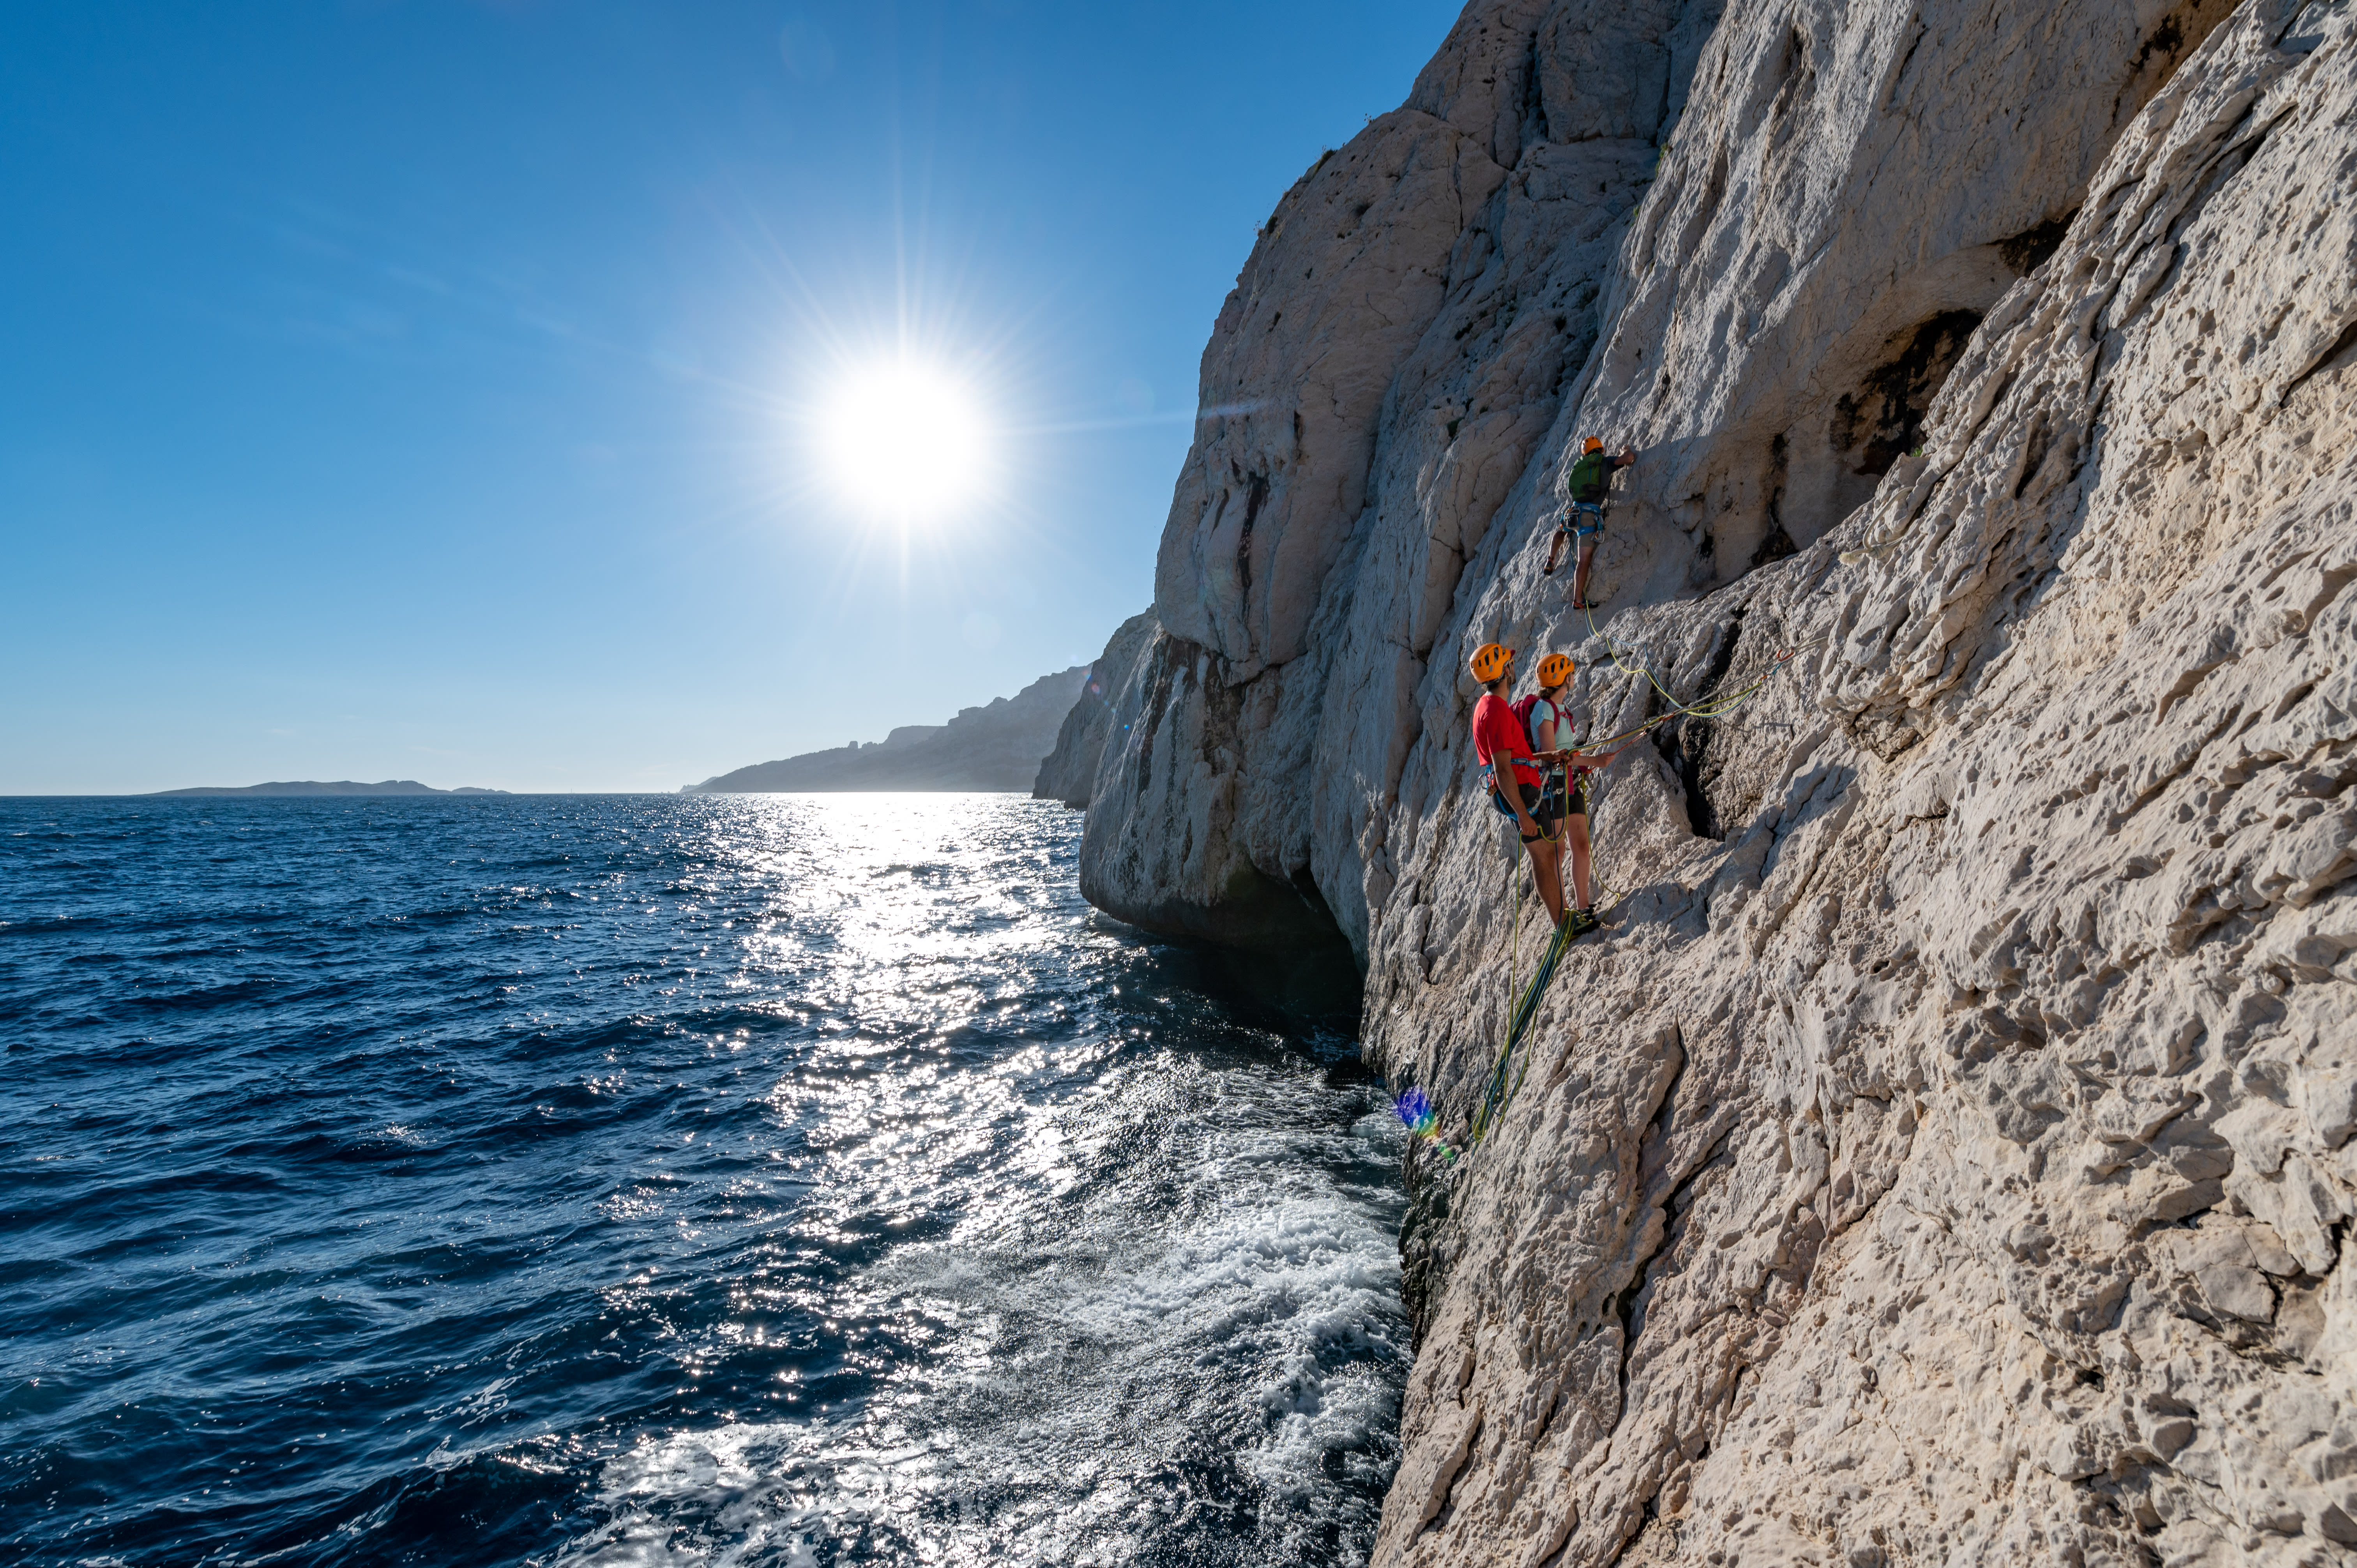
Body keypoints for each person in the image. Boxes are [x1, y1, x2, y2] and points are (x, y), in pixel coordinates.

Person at [1518, 652, 1628, 933]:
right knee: (1558, 851)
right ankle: (1566, 916)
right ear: (1563, 679)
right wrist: (1596, 761)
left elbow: (1563, 755)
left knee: (1580, 845)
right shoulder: (1544, 710)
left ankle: (1584, 908)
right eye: (1571, 675)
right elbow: (1552, 756)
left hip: (1569, 780)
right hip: (1554, 786)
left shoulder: (1562, 709)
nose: (1573, 678)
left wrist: (1582, 763)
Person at [1468, 642, 1569, 928]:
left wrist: (1547, 757)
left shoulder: (1487, 706)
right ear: (1504, 671)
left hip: (1517, 788)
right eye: (1509, 664)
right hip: (1521, 792)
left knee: (1546, 855)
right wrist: (1523, 814)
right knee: (1544, 856)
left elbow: (1511, 757)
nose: (1514, 667)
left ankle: (1562, 918)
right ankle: (1562, 923)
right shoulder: (1497, 712)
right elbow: (1503, 768)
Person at [1542, 437, 1637, 611]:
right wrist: (1624, 452)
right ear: (1601, 450)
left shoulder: (1580, 465)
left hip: (1573, 512)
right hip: (1588, 516)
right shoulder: (1604, 462)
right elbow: (1629, 458)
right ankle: (1578, 600)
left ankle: (1551, 559)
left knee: (1562, 531)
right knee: (1583, 560)